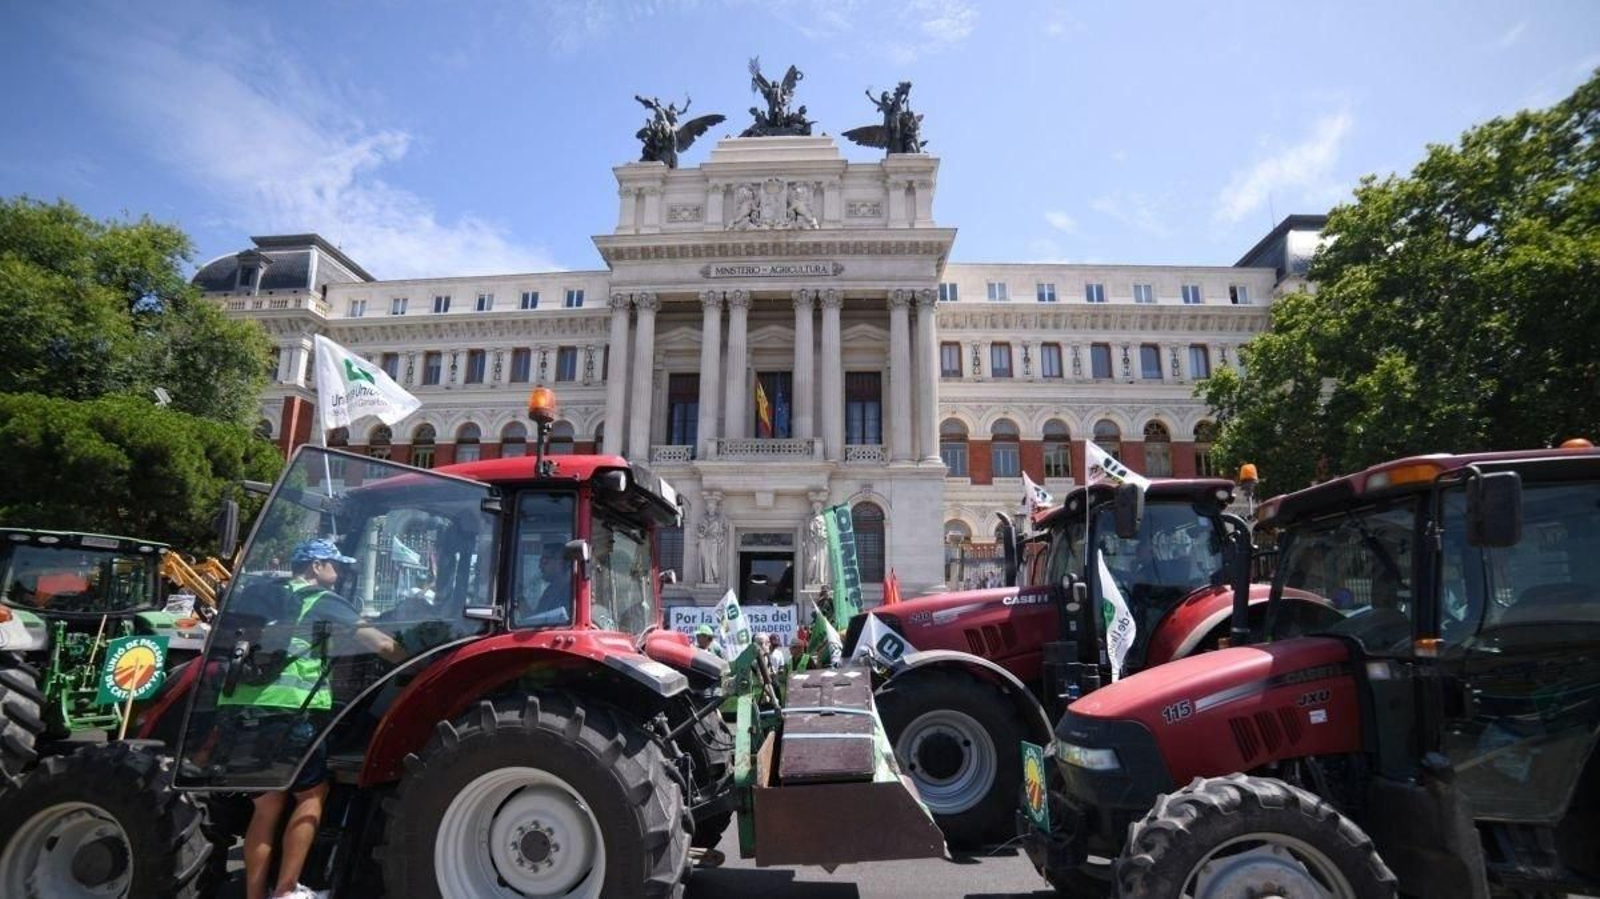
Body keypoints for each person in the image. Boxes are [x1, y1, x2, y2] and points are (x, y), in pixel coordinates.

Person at [221, 538, 402, 899]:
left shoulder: (260, 594)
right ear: (315, 567)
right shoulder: (322, 600)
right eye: (334, 563)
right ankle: (287, 890)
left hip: (242, 708)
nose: (341, 569)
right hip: (291, 712)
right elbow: (379, 644)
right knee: (311, 795)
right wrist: (421, 662)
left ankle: (255, 895)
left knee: (267, 804)